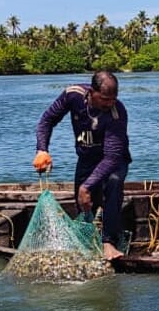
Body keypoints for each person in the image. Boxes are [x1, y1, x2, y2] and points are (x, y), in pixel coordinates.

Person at [32, 70, 131, 260]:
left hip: (113, 160)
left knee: (113, 183)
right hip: (87, 158)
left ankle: (108, 242)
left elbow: (111, 157)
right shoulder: (73, 95)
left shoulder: (117, 113)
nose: (109, 103)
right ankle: (88, 240)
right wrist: (42, 150)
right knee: (83, 202)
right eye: (104, 99)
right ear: (91, 92)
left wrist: (88, 186)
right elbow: (47, 120)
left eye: (113, 99)